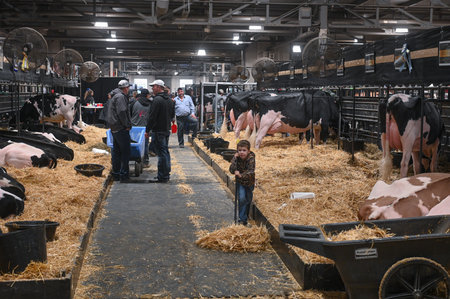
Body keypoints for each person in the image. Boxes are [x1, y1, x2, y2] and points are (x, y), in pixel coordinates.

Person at [146, 79, 174, 183]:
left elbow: (152, 117)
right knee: (164, 152)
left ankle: (163, 176)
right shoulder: (170, 100)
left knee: (162, 154)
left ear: (159, 87)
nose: (152, 88)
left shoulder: (157, 100)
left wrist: (147, 130)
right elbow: (172, 115)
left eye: (153, 86)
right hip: (166, 129)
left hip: (158, 130)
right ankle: (164, 175)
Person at [106, 80, 132, 183]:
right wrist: (127, 125)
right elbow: (121, 112)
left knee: (116, 152)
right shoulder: (121, 97)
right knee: (125, 152)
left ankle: (116, 174)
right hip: (121, 128)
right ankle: (124, 175)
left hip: (114, 128)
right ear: (125, 88)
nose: (128, 89)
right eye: (128, 88)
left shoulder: (115, 96)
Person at [229, 140, 256, 226]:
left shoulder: (251, 159)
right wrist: (234, 158)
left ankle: (246, 215)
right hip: (240, 183)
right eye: (239, 150)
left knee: (248, 199)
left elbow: (251, 171)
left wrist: (240, 175)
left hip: (249, 182)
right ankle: (242, 219)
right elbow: (231, 169)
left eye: (244, 150)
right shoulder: (237, 158)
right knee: (242, 199)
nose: (242, 152)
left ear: (248, 151)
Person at [131, 89, 152, 165]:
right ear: (147, 95)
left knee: (135, 143)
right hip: (145, 127)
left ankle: (137, 159)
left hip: (135, 126)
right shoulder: (150, 104)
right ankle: (145, 161)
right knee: (145, 144)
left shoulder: (135, 103)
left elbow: (131, 114)